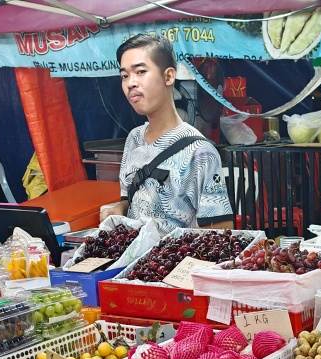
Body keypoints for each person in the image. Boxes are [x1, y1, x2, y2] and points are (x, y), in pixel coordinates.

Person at [100, 34, 233, 233]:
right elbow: (130, 201)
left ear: (168, 76)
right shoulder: (134, 139)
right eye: (124, 76)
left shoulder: (200, 152)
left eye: (141, 72)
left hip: (173, 262)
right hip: (132, 261)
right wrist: (120, 208)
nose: (130, 83)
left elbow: (221, 233)